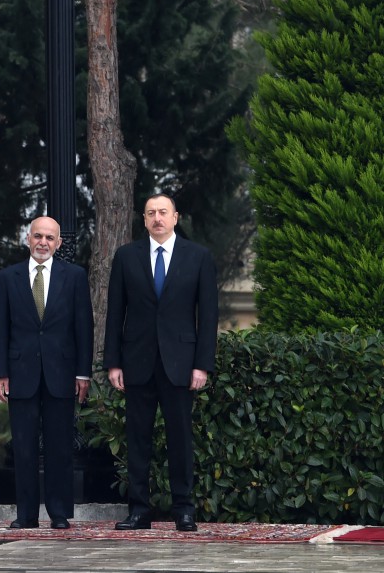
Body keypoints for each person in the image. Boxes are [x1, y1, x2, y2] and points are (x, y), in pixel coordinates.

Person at [103, 193, 218, 532]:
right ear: (144, 219)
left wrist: (202, 365)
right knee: (137, 439)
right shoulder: (126, 257)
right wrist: (113, 363)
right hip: (136, 362)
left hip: (180, 364)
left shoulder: (198, 256)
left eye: (163, 212)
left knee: (180, 439)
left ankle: (184, 510)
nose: (157, 218)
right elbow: (115, 313)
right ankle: (139, 511)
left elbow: (208, 315)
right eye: (151, 213)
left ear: (175, 217)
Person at [0, 216, 94, 529]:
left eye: (50, 238)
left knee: (59, 446)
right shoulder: (8, 277)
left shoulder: (74, 276)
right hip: (20, 373)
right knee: (23, 447)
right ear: (28, 238)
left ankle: (59, 513)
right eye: (38, 236)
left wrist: (83, 373)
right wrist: (1, 373)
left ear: (58, 243)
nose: (43, 243)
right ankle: (26, 515)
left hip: (61, 373)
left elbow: (84, 327)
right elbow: (1, 328)